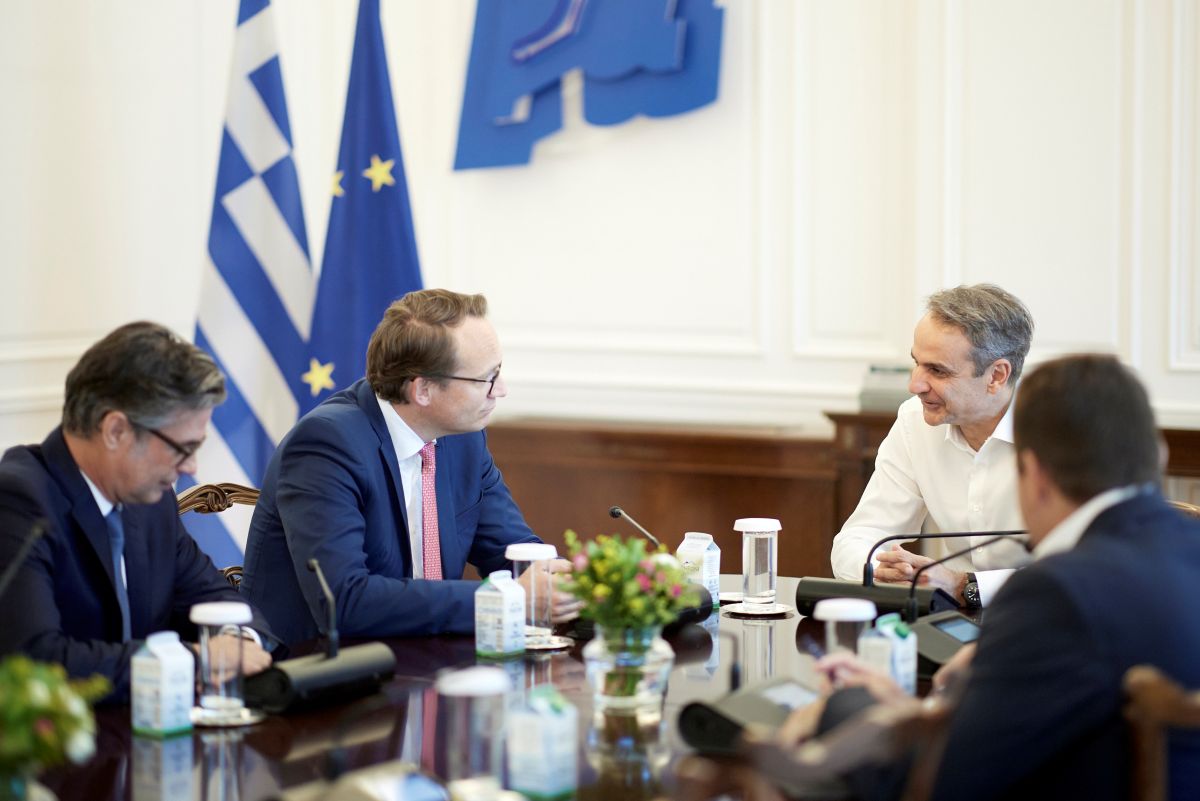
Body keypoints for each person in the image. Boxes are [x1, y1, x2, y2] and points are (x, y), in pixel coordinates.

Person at [785, 354, 1200, 801]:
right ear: (1157, 455)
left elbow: (941, 781)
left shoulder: (1056, 593)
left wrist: (848, 707)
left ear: (1033, 475)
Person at [241, 289, 583, 644]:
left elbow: (512, 552)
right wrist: (502, 600)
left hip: (423, 655)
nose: (501, 390)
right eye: (487, 378)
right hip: (321, 663)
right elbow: (345, 602)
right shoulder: (327, 445)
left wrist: (570, 586)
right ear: (423, 390)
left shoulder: (463, 438)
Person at [0, 322, 274, 703]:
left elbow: (222, 602)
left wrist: (237, 642)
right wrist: (196, 661)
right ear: (116, 430)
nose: (191, 467)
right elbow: (37, 662)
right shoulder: (18, 500)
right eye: (182, 448)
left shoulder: (151, 504)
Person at [830, 284, 1034, 607]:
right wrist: (882, 571)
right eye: (917, 363)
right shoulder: (914, 421)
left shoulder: (1061, 435)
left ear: (996, 375)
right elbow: (858, 537)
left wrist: (965, 586)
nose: (915, 385)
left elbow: (1084, 568)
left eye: (937, 371)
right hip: (953, 620)